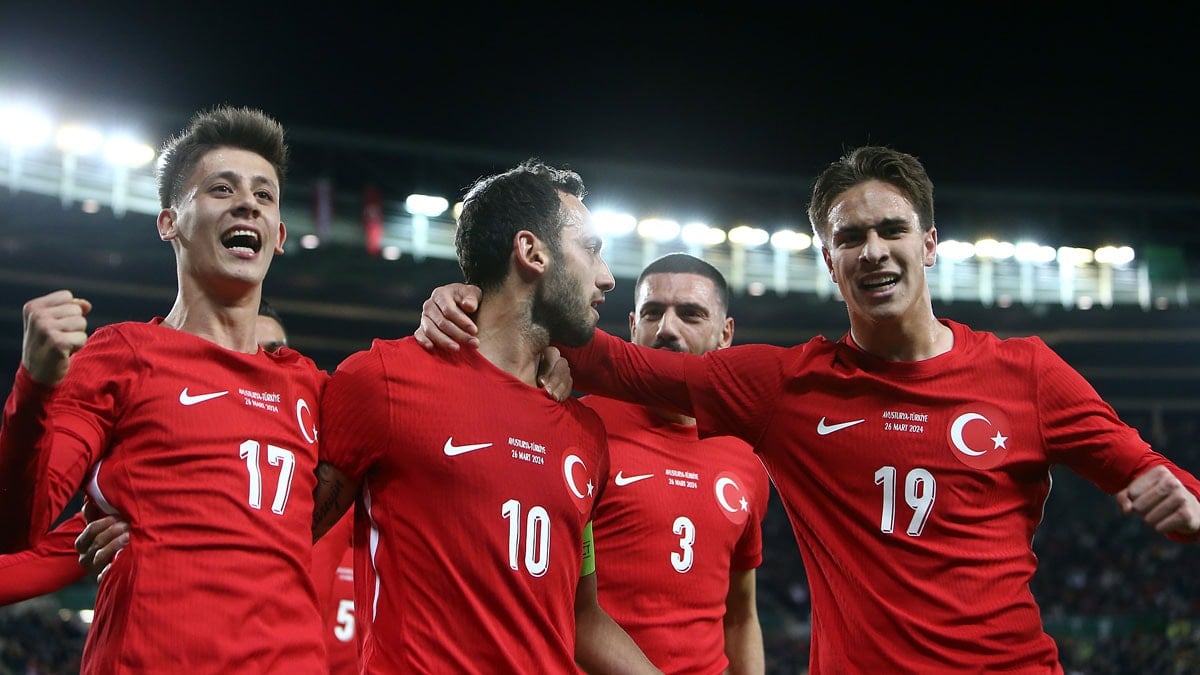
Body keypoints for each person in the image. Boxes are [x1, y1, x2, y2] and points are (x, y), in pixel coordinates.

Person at [416, 146, 1200, 673]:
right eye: (850, 236)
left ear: (929, 243)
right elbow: (612, 359)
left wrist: (1184, 498)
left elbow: (1156, 477)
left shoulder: (1027, 373)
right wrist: (479, 294)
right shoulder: (785, 387)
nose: (873, 250)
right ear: (829, 259)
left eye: (892, 229)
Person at [0, 107, 329, 672]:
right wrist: (36, 388)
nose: (247, 203)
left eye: (264, 195)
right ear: (169, 222)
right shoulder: (122, 355)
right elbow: (16, 526)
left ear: (278, 236)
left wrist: (451, 305)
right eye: (221, 189)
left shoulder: (313, 388)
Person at [311, 159, 660, 673]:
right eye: (591, 250)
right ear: (532, 252)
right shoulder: (384, 381)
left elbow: (581, 615)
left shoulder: (585, 433)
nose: (607, 277)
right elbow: (285, 543)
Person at [582, 252, 769, 674]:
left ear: (725, 333)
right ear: (633, 327)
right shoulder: (581, 428)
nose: (667, 328)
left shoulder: (747, 455)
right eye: (652, 313)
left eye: (690, 314)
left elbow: (740, 616)